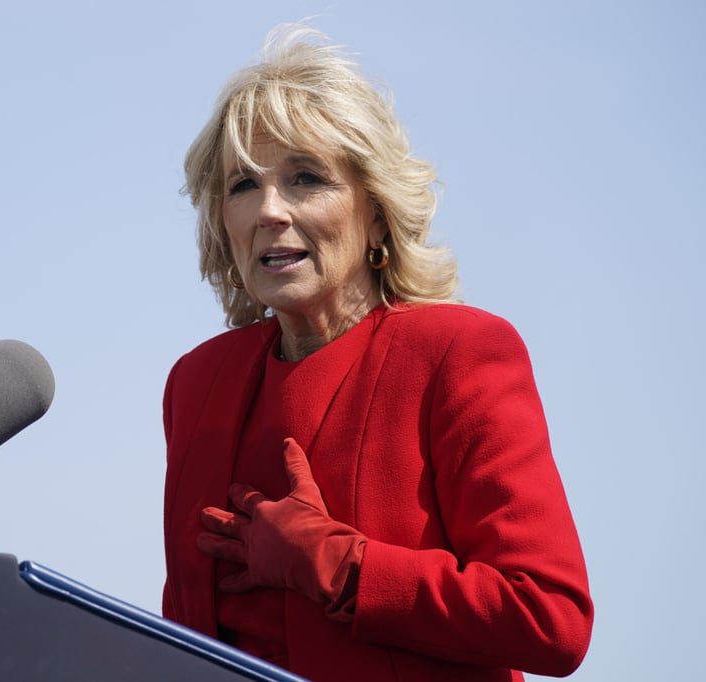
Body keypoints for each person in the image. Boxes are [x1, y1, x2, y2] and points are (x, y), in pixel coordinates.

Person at [161, 26, 593, 682]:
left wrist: (339, 564)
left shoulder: (459, 353)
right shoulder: (196, 384)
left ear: (377, 211)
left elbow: (550, 618)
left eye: (304, 178)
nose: (269, 210)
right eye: (243, 184)